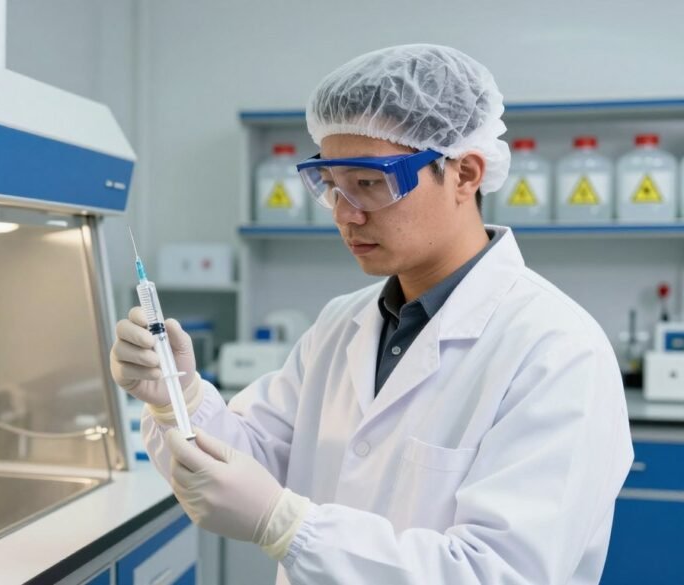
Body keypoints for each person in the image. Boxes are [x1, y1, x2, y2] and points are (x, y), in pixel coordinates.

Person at [110, 44, 632, 584]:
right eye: (331, 186)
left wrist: (289, 526)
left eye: (370, 183)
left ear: (465, 174)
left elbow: (499, 573)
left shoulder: (557, 350)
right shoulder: (341, 324)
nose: (345, 214)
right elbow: (246, 465)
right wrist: (179, 401)